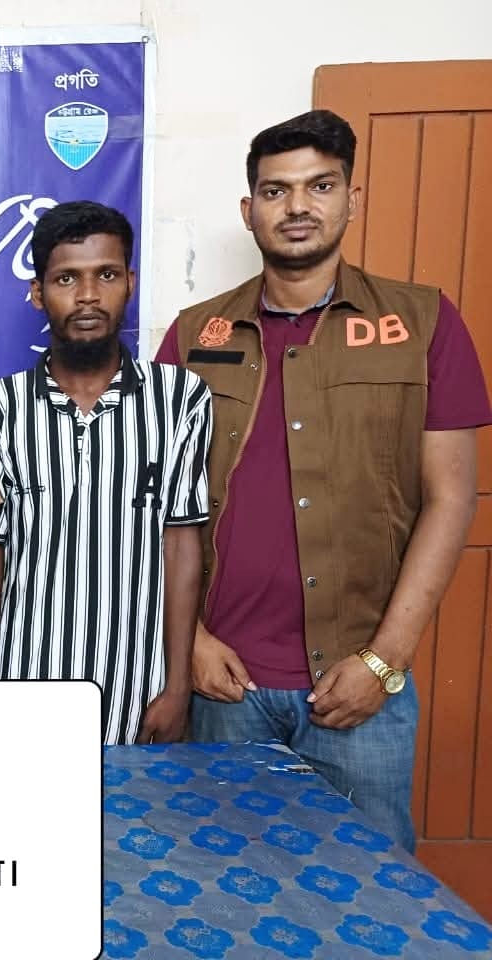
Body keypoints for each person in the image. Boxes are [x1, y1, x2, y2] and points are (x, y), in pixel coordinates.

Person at [155, 110, 491, 851]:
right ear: (249, 210)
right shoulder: (195, 334)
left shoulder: (423, 323)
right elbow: (153, 502)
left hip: (359, 684)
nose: (298, 207)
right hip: (225, 685)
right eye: (276, 191)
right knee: (227, 887)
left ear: (352, 198)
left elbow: (450, 499)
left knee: (372, 894)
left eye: (320, 185)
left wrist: (384, 659)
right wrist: (192, 641)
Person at [0, 202, 211, 744]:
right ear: (38, 293)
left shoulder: (179, 398)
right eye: (66, 279)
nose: (87, 296)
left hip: (138, 689)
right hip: (21, 685)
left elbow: (181, 547)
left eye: (106, 275)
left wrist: (177, 687)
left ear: (130, 283)